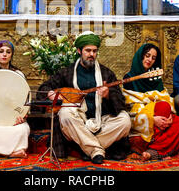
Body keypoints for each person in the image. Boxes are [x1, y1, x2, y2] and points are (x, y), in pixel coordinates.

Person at [37, 31, 131, 164]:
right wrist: (50, 94)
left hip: (102, 120)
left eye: (94, 51)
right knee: (65, 113)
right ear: (79, 50)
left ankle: (87, 148)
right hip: (77, 121)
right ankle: (96, 150)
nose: (92, 54)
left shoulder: (106, 73)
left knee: (125, 120)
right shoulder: (67, 72)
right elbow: (44, 87)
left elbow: (120, 100)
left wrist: (108, 94)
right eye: (88, 50)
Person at [122, 43, 179, 160]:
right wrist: (151, 118)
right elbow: (128, 107)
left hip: (160, 118)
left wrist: (169, 115)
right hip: (140, 120)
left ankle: (152, 151)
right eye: (147, 55)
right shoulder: (129, 78)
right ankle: (159, 150)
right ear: (141, 56)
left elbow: (165, 98)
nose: (149, 60)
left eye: (153, 58)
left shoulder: (156, 79)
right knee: (162, 107)